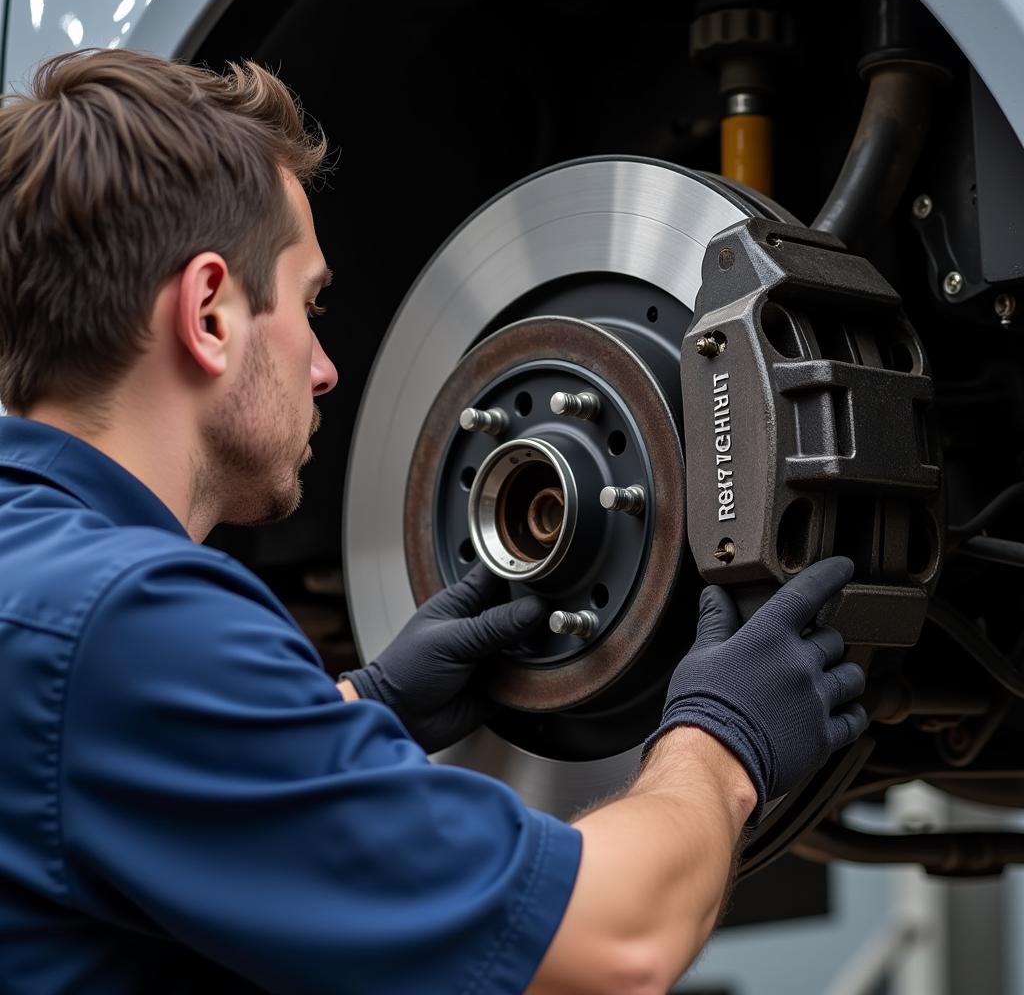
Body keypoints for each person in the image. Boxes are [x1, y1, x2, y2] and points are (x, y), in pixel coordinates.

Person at [0, 49, 867, 995]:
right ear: (209, 312)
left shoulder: (44, 586)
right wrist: (722, 741)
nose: (327, 366)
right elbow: (616, 945)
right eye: (310, 302)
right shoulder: (128, 623)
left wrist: (361, 711)